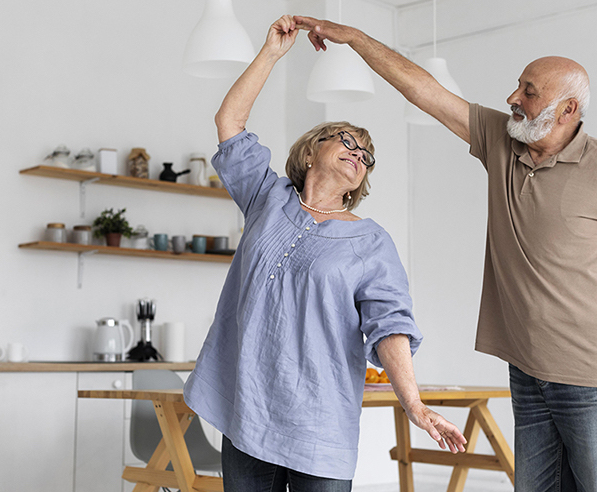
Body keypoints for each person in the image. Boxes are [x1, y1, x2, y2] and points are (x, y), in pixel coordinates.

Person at [293, 15, 597, 492]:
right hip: (526, 371)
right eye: (518, 87)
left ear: (567, 109)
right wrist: (357, 39)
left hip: (593, 378)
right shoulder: (503, 142)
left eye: (529, 91)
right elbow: (424, 92)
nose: (513, 98)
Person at [183, 15, 466, 492]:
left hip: (320, 426)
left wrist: (413, 403)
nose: (359, 153)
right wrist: (271, 53)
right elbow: (229, 123)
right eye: (348, 142)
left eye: (367, 156)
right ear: (312, 151)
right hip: (247, 411)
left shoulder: (371, 242)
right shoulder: (267, 200)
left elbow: (390, 324)